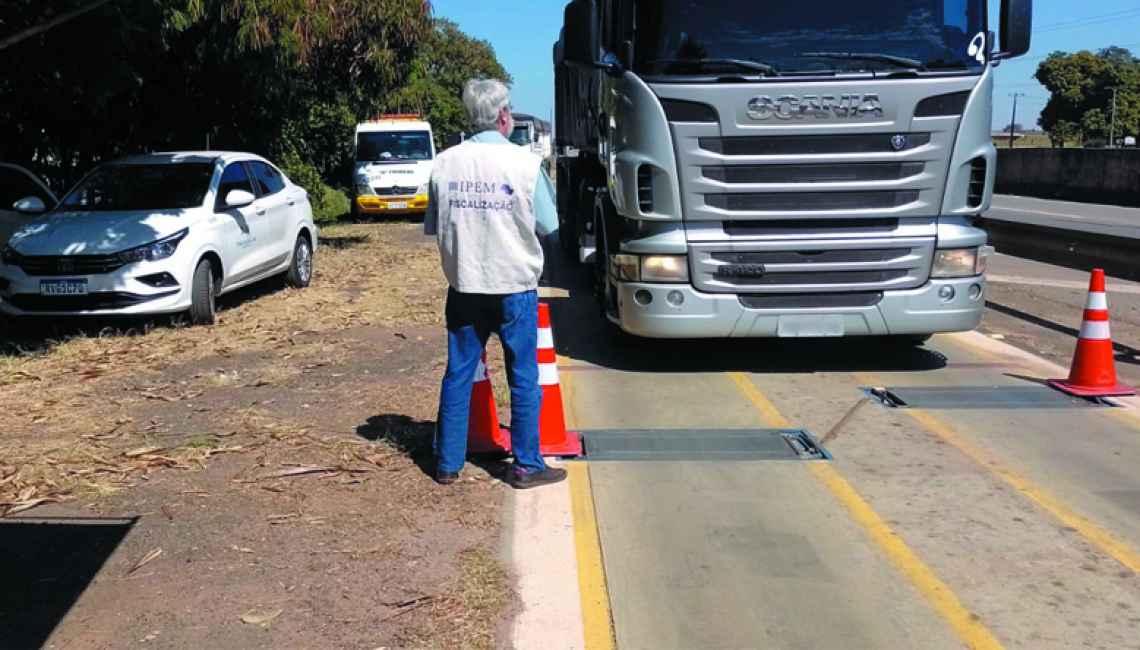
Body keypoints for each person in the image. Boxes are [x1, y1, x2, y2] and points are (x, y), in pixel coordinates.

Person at [423, 78, 566, 489]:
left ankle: (448, 463)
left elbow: (435, 226)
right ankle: (526, 465)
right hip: (513, 285)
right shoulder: (524, 164)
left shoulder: (445, 163)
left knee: (458, 373)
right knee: (523, 377)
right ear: (504, 116)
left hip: (465, 284)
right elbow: (550, 224)